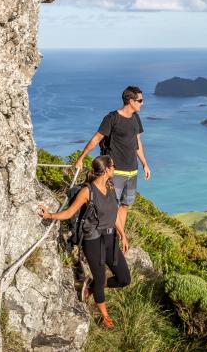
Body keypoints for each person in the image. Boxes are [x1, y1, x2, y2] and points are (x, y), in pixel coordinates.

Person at [38, 155, 130, 328]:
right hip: (93, 240)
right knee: (101, 276)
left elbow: (114, 214)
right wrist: (49, 215)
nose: (115, 168)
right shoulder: (87, 191)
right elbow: (69, 212)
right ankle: (105, 316)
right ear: (107, 169)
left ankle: (92, 286)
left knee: (124, 279)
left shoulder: (110, 187)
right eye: (113, 166)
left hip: (111, 238)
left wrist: (123, 234)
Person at [75, 86, 151, 236]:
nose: (142, 103)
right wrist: (81, 158)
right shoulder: (112, 118)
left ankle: (118, 237)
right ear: (130, 101)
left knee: (125, 205)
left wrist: (145, 164)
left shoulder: (135, 117)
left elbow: (137, 143)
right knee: (111, 207)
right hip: (115, 172)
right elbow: (96, 139)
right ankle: (112, 237)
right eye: (140, 100)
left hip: (132, 171)